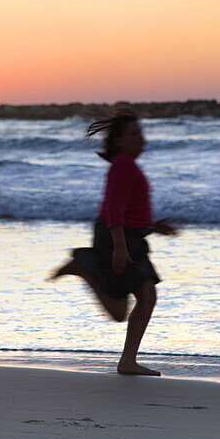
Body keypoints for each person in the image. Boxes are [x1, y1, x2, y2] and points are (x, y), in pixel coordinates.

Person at [51, 107, 178, 376]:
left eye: (141, 132)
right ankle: (84, 267)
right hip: (116, 237)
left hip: (127, 236)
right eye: (134, 134)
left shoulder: (126, 165)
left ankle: (128, 361)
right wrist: (119, 246)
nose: (141, 138)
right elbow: (114, 209)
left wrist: (153, 226)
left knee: (145, 296)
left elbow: (129, 210)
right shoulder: (123, 165)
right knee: (122, 309)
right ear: (118, 140)